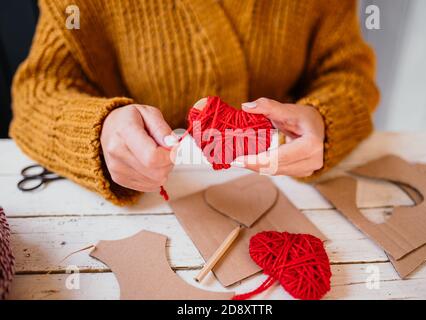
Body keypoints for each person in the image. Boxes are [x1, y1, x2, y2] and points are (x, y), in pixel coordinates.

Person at [10, 0, 379, 206]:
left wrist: (325, 122)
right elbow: (38, 92)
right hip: (154, 198)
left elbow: (349, 75)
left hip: (290, 190)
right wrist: (100, 131)